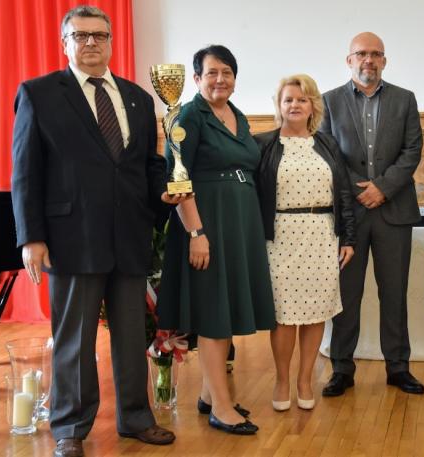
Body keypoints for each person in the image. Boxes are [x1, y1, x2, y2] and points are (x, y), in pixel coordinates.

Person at [11, 6, 180, 457]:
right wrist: (31, 237)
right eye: (80, 35)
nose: (90, 43)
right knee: (74, 341)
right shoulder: (39, 94)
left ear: (110, 42)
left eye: (99, 35)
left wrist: (164, 192)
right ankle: (70, 426)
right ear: (64, 43)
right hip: (71, 239)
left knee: (132, 335)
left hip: (129, 236)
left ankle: (136, 417)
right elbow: (25, 171)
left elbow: (148, 165)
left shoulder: (137, 98)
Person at [156, 45, 275, 434]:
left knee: (224, 310)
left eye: (227, 72)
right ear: (196, 79)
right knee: (213, 314)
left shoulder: (237, 116)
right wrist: (196, 233)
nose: (220, 79)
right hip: (207, 224)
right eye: (212, 73)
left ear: (235, 79)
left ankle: (210, 394)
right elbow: (178, 179)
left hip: (239, 224)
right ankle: (222, 408)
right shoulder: (188, 116)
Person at [319, 32, 424, 396]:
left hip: (394, 210)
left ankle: (398, 367)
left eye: (376, 54)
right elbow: (327, 152)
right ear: (349, 60)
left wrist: (383, 188)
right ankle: (341, 369)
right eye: (362, 53)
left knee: (394, 293)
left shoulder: (405, 99)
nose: (369, 60)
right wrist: (359, 190)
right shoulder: (329, 101)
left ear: (384, 61)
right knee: (346, 294)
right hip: (349, 214)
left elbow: (412, 150)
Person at [254, 74, 356, 411]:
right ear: (279, 105)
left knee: (316, 312)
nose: (295, 105)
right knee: (284, 314)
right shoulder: (263, 144)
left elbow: (343, 192)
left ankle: (304, 380)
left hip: (322, 234)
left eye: (302, 99)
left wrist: (348, 237)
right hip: (280, 236)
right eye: (288, 100)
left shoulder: (327, 144)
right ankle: (283, 380)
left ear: (313, 106)